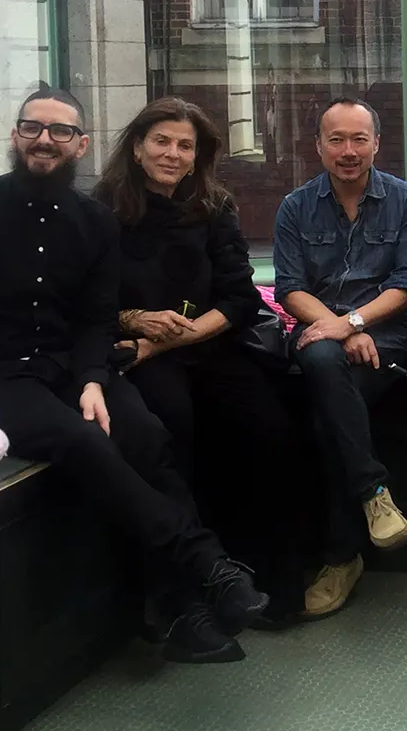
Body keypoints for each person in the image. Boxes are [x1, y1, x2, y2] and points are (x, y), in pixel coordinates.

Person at [0, 88, 268, 663]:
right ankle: (204, 566)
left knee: (147, 433)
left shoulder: (94, 221)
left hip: (72, 373)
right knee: (85, 440)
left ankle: (180, 606)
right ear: (15, 136)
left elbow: (93, 319)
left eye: (59, 131)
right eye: (33, 127)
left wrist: (96, 381)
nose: (44, 139)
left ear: (80, 145)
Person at [93, 97, 317, 623]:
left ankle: (272, 583)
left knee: (268, 426)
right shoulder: (101, 211)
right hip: (137, 356)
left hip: (210, 344)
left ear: (198, 157)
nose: (173, 153)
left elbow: (239, 299)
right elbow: (86, 302)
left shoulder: (215, 207)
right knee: (174, 427)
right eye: (162, 142)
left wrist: (173, 336)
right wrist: (136, 320)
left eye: (185, 146)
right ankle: (188, 591)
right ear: (137, 147)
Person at [273, 96, 407, 619]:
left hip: (385, 342)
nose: (347, 150)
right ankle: (372, 497)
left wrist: (353, 324)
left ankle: (340, 560)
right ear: (318, 146)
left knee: (325, 417)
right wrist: (338, 331)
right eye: (336, 139)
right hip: (324, 337)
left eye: (358, 139)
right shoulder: (295, 207)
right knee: (320, 364)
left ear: (376, 144)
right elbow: (291, 288)